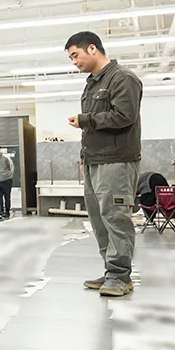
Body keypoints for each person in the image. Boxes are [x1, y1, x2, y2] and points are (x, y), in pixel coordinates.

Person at [65, 30, 143, 298]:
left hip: (116, 162)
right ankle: (111, 271)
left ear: (92, 49)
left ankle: (120, 276)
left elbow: (125, 116)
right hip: (94, 161)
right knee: (99, 220)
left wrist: (85, 120)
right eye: (71, 58)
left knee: (116, 218)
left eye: (75, 55)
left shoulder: (122, 78)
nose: (74, 61)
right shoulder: (92, 84)